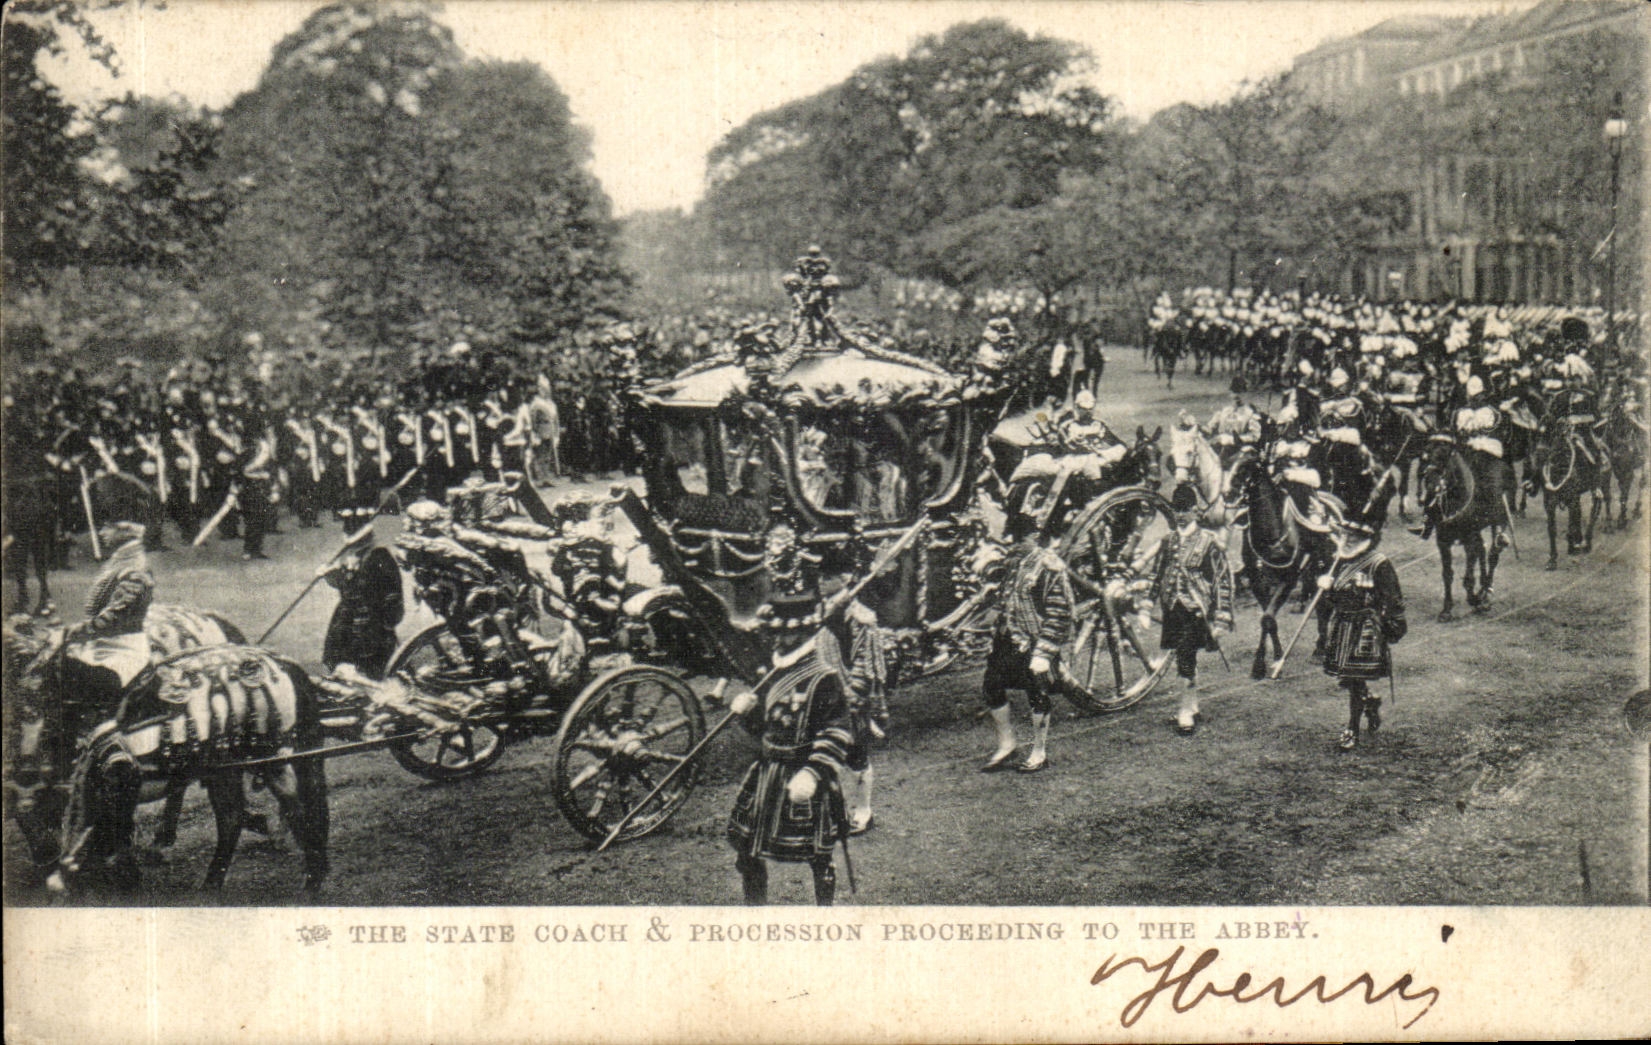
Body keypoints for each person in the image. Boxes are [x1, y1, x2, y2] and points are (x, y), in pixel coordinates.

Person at [725, 588, 861, 906]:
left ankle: (823, 913)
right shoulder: (774, 673)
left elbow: (837, 731)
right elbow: (765, 728)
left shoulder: (824, 678)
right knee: (748, 849)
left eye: (787, 634)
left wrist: (812, 773)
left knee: (817, 854)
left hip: (804, 774)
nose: (779, 641)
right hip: (767, 774)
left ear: (804, 633)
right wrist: (748, 712)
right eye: (776, 634)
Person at [979, 521, 1072, 773]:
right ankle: (1007, 744)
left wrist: (1045, 651)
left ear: (1034, 537)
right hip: (1009, 637)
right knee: (992, 686)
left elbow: (1060, 612)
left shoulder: (1049, 566)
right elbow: (1004, 598)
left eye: (1021, 539)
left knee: (1037, 693)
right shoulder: (1013, 564)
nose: (1016, 545)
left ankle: (1039, 751)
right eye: (1013, 539)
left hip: (1035, 640)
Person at [1317, 515, 1406, 751]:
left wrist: (1393, 625)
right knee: (1348, 678)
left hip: (1365, 628)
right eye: (1345, 534)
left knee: (1354, 678)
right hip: (1342, 626)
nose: (1347, 539)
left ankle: (1352, 728)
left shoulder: (1379, 563)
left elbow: (1393, 599)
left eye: (1353, 535)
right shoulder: (1338, 561)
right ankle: (1369, 702)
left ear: (1366, 538)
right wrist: (1327, 590)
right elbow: (1333, 601)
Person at [1151, 483, 1234, 734]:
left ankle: (1184, 711)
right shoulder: (1168, 540)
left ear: (1195, 510)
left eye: (1185, 509)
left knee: (1185, 656)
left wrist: (1221, 617)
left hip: (1196, 610)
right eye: (1177, 509)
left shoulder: (1209, 542)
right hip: (1172, 608)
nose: (1180, 515)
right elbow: (1158, 573)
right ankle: (1192, 704)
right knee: (1185, 655)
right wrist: (1147, 602)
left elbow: (1221, 579)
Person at [319, 524, 405, 679]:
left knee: (369, 661)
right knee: (339, 652)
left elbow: (389, 592)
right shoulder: (351, 556)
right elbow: (347, 585)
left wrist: (387, 618)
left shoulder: (380, 557)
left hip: (373, 617)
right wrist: (332, 576)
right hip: (348, 614)